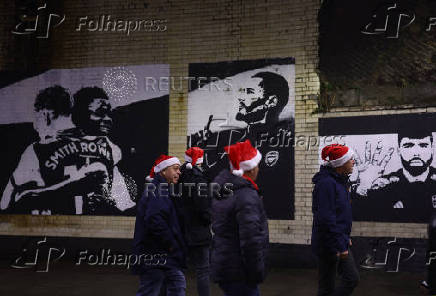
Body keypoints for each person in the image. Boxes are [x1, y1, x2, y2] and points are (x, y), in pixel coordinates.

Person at [189, 71, 294, 219]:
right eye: (242, 91)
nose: (240, 97)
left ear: (271, 101)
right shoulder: (232, 141)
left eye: (249, 92)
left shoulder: (286, 141)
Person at [211, 139, 269, 296]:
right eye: (256, 165)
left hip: (227, 266)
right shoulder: (245, 195)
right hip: (240, 272)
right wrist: (256, 271)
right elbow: (250, 239)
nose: (258, 169)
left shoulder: (226, 189)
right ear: (250, 169)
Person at [352, 128, 436, 223]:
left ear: (432, 149)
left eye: (423, 146)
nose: (416, 153)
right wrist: (364, 187)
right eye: (408, 146)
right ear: (398, 150)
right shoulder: (382, 185)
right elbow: (360, 219)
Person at [132, 154, 187, 296]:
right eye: (175, 169)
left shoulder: (160, 188)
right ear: (163, 171)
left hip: (160, 255)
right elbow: (154, 220)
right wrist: (171, 244)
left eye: (179, 169)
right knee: (155, 289)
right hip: (156, 255)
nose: (179, 172)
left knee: (175, 284)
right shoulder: (158, 190)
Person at [312, 144, 359, 296]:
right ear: (340, 163)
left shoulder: (339, 181)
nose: (353, 161)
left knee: (328, 286)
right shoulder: (327, 184)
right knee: (349, 279)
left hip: (338, 239)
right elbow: (326, 219)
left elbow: (338, 214)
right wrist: (341, 245)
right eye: (350, 159)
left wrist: (345, 236)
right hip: (329, 244)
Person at [177, 147, 211, 296]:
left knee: (177, 269)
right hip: (198, 232)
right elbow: (202, 207)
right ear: (200, 161)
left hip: (180, 230)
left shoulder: (178, 175)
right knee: (202, 270)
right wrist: (210, 219)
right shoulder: (199, 179)